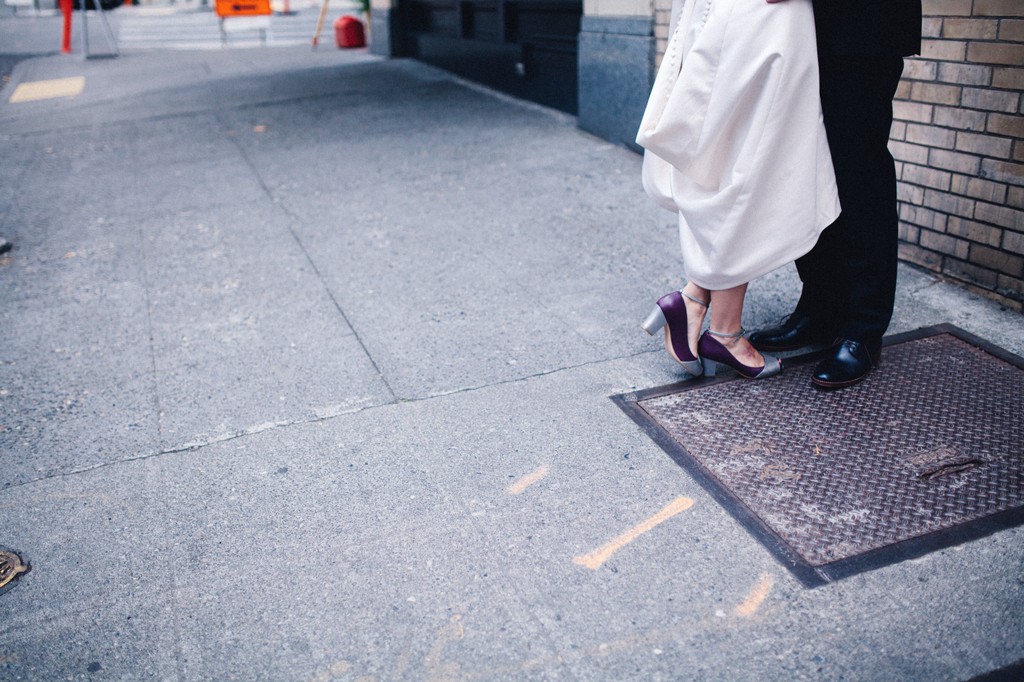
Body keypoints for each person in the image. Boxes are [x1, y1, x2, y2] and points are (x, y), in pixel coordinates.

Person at [637, 0, 841, 380]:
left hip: (724, 13)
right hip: (766, 18)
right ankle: (724, 332)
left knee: (732, 158)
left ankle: (695, 299)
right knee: (755, 163)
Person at [749, 1, 922, 390]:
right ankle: (821, 307)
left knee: (858, 169)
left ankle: (863, 326)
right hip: (801, 26)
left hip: (860, 23)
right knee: (805, 167)